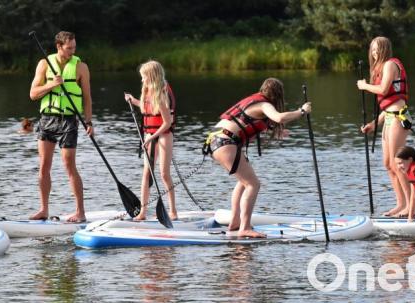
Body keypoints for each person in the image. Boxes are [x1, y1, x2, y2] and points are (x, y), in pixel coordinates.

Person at [203, 78, 311, 238]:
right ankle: (244, 228)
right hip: (225, 142)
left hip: (216, 140)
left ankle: (235, 222)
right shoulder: (264, 104)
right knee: (253, 184)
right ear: (277, 95)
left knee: (244, 182)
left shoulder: (254, 103)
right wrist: (302, 111)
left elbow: (246, 123)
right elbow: (279, 118)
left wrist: (276, 132)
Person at [28, 31, 94, 223]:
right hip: (47, 119)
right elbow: (33, 94)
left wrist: (88, 121)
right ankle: (43, 209)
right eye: (69, 48)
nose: (73, 51)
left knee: (69, 165)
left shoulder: (81, 67)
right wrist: (51, 85)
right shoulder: (44, 64)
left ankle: (80, 212)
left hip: (69, 121)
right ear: (59, 46)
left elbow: (87, 98)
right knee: (43, 166)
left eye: (74, 47)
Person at [357, 36, 412, 217]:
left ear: (384, 50)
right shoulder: (380, 68)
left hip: (398, 118)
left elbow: (383, 89)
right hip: (388, 117)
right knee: (388, 164)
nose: (374, 53)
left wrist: (365, 86)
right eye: (372, 50)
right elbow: (387, 103)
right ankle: (400, 203)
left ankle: (411, 206)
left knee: (398, 163)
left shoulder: (390, 64)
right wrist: (374, 124)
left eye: (377, 49)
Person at [123, 60, 177, 220]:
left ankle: (173, 211)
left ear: (152, 76)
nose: (142, 80)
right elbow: (147, 108)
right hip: (150, 135)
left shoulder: (161, 93)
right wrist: (133, 100)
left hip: (163, 136)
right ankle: (143, 212)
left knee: (164, 174)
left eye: (144, 77)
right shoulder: (147, 92)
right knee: (146, 173)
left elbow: (167, 122)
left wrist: (152, 137)